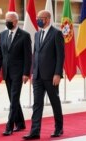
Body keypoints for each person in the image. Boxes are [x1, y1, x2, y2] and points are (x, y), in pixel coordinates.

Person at [23, 10, 65, 140]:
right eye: (37, 18)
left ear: (47, 19)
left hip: (51, 76)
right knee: (37, 104)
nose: (38, 20)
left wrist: (58, 74)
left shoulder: (56, 34)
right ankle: (35, 131)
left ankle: (59, 128)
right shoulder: (36, 34)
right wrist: (32, 73)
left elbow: (60, 56)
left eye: (40, 18)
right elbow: (35, 54)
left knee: (54, 102)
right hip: (37, 76)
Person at [0, 11, 32, 136]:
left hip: (18, 72)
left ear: (15, 21)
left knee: (14, 98)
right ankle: (20, 123)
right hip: (6, 72)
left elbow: (28, 57)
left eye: (9, 20)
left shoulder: (24, 36)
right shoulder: (3, 34)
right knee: (13, 99)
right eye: (6, 20)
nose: (7, 22)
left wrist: (26, 73)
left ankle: (9, 126)